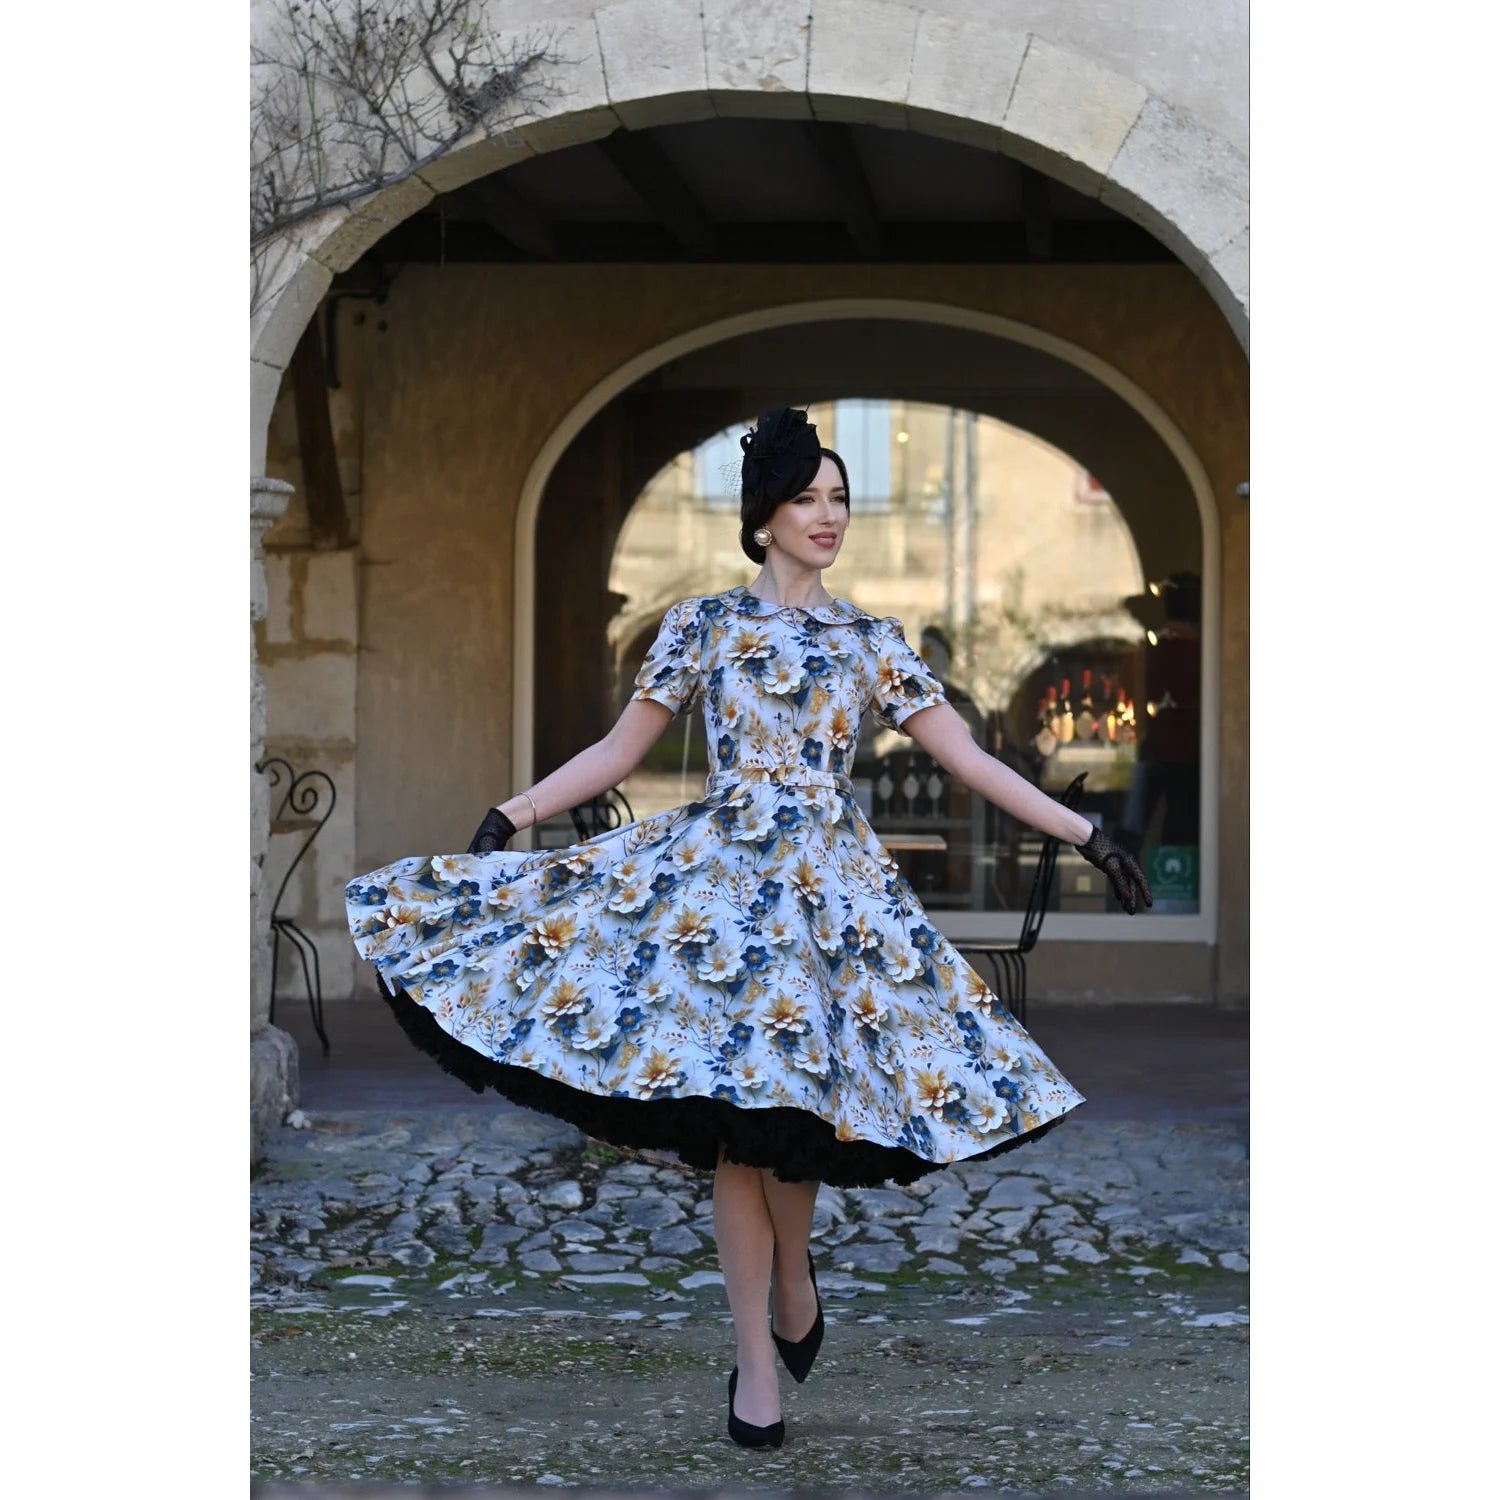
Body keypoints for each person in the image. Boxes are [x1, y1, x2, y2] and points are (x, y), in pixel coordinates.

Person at [344, 406, 1151, 1450]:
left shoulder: (870, 641)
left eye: (840, 498)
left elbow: (970, 760)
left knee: (792, 1129)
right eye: (807, 498)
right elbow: (619, 750)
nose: (829, 516)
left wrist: (1089, 834)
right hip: (721, 895)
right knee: (740, 1135)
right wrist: (515, 813)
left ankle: (795, 1276)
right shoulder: (704, 627)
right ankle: (756, 1362)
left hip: (828, 900)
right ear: (764, 515)